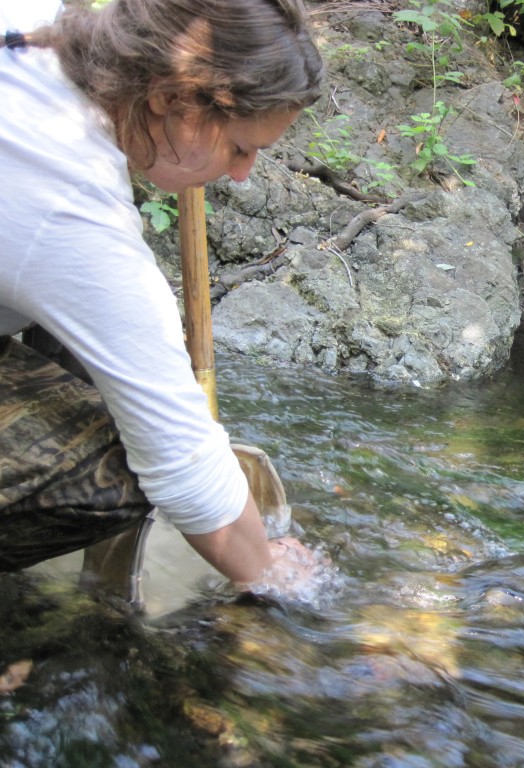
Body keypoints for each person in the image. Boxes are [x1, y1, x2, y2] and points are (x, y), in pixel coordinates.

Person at [0, 0, 325, 592]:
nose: (244, 174)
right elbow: (180, 462)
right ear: (171, 100)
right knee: (120, 472)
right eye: (240, 147)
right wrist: (279, 576)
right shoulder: (70, 208)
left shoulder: (45, 26)